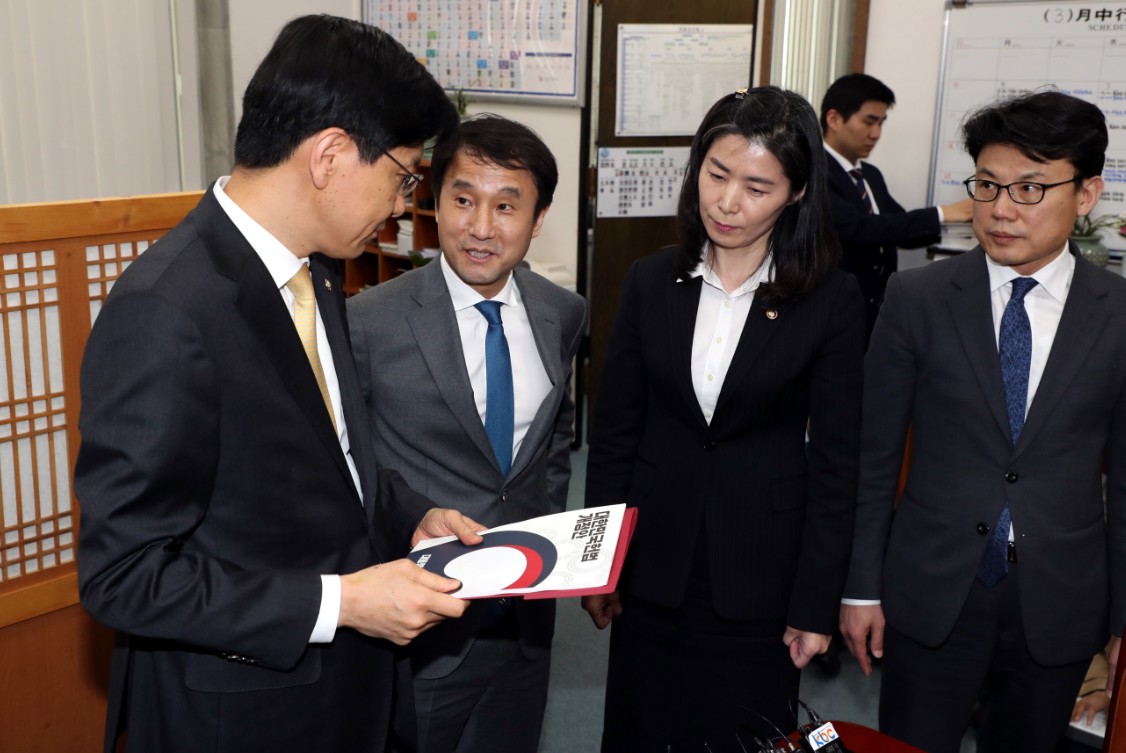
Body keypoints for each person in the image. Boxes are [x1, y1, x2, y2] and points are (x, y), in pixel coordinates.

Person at [75, 15, 483, 753]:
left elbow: (324, 461)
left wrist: (410, 515)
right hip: (241, 717)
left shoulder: (316, 271)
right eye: (403, 174)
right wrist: (341, 601)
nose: (402, 204)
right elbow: (124, 575)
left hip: (346, 693)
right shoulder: (167, 310)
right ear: (329, 154)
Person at [839, 90, 1125, 753]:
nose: (999, 209)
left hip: (1059, 595)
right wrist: (859, 588)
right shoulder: (919, 298)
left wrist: (1120, 617)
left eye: (1030, 188)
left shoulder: (1116, 311)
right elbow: (874, 456)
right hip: (933, 588)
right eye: (989, 185)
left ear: (1086, 194)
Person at [581, 86, 866, 752]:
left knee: (739, 737)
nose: (729, 202)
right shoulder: (653, 279)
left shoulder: (829, 299)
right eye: (717, 175)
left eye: (758, 186)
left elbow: (837, 461)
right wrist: (599, 562)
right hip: (652, 562)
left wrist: (814, 602)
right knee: (639, 730)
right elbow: (616, 430)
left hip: (759, 571)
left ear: (796, 193)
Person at [348, 113, 587, 753]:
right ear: (434, 199)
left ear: (537, 221)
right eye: (462, 200)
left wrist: (550, 539)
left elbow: (554, 443)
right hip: (422, 628)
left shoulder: (562, 313)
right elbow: (349, 466)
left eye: (506, 206)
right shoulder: (368, 322)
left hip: (527, 626)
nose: (481, 227)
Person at [820, 73, 974, 339]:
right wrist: (943, 213)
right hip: (831, 313)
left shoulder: (870, 175)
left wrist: (965, 225)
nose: (876, 134)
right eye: (869, 122)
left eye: (881, 123)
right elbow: (859, 229)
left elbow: (901, 229)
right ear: (834, 119)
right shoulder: (814, 172)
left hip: (873, 311)